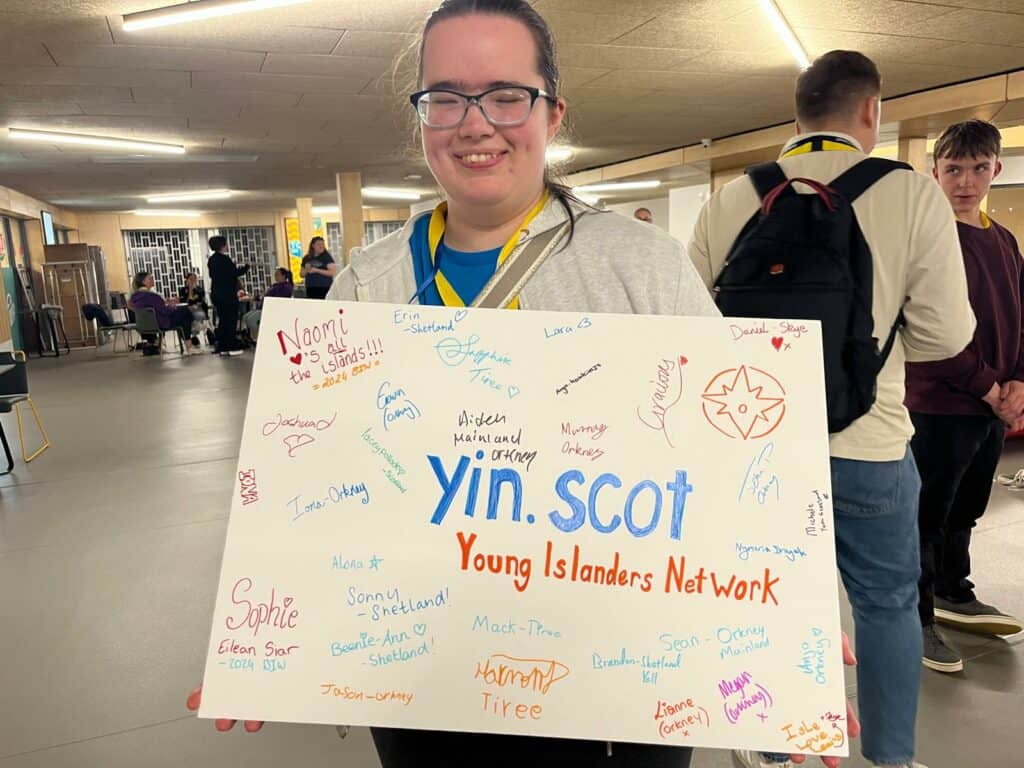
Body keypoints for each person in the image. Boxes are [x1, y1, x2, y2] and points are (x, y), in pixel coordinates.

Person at [188, 2, 858, 767]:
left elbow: (735, 468)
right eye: (446, 97)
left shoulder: (638, 268)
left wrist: (786, 644)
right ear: (421, 119)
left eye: (506, 94)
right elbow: (315, 480)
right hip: (425, 674)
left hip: (619, 683)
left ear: (552, 111)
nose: (475, 123)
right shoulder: (369, 288)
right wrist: (261, 640)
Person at [689, 51, 975, 768]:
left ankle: (777, 747)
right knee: (884, 604)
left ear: (797, 114)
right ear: (870, 112)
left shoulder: (732, 198)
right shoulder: (912, 193)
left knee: (769, 596)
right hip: (869, 445)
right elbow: (946, 334)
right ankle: (890, 757)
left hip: (755, 451)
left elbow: (689, 325)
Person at [904, 119, 1024, 674]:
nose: (966, 181)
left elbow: (1019, 319)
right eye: (953, 169)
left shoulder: (1003, 240)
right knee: (927, 515)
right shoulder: (929, 240)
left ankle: (955, 588)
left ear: (996, 169)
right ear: (935, 173)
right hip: (939, 402)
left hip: (993, 405)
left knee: (967, 509)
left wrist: (1017, 381)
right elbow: (927, 331)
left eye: (979, 168)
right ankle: (918, 614)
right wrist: (989, 386)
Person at [128, 271, 197, 353]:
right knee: (185, 310)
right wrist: (172, 307)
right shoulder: (152, 296)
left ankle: (190, 344)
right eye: (150, 278)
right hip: (160, 323)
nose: (152, 279)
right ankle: (193, 331)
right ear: (143, 282)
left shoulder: (134, 297)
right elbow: (165, 311)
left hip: (144, 325)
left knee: (184, 319)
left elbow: (155, 308)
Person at [207, 235, 248, 356]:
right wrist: (246, 267)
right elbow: (235, 273)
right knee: (231, 320)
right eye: (226, 244)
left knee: (223, 320)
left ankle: (222, 347)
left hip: (216, 294)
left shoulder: (212, 260)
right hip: (227, 295)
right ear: (222, 246)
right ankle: (232, 346)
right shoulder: (225, 259)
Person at [243, 267, 293, 341]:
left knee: (251, 319)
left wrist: (266, 295)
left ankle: (261, 337)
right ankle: (252, 337)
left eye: (277, 274)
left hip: (273, 309)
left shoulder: (286, 287)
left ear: (283, 276)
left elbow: (276, 298)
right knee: (246, 317)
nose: (275, 276)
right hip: (263, 307)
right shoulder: (275, 285)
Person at [178, 272, 212, 347]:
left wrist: (195, 304)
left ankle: (193, 335)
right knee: (187, 315)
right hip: (188, 310)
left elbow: (201, 301)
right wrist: (190, 289)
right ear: (187, 280)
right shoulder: (183, 290)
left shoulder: (199, 289)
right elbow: (186, 302)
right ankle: (195, 334)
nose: (193, 280)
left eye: (195, 278)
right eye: (191, 279)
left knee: (196, 315)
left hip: (199, 309)